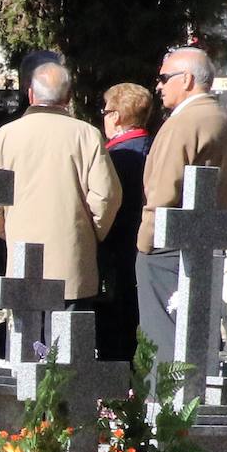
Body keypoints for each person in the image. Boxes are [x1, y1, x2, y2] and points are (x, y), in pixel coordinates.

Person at [136, 47, 227, 363]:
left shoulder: (183, 123)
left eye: (163, 78)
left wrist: (146, 242)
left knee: (165, 336)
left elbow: (162, 190)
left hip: (169, 246)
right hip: (210, 242)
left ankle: (167, 407)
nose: (158, 86)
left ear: (186, 79)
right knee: (199, 335)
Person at [0, 62, 121, 312]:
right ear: (69, 96)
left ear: (30, 94)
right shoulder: (87, 135)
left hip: (22, 255)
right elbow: (106, 196)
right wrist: (90, 233)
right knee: (67, 343)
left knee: (25, 344)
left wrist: (9, 231)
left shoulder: (5, 136)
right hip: (72, 256)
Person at [95, 83, 154, 362]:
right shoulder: (153, 147)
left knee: (117, 327)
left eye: (105, 111)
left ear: (116, 116)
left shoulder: (116, 156)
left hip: (116, 248)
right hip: (146, 247)